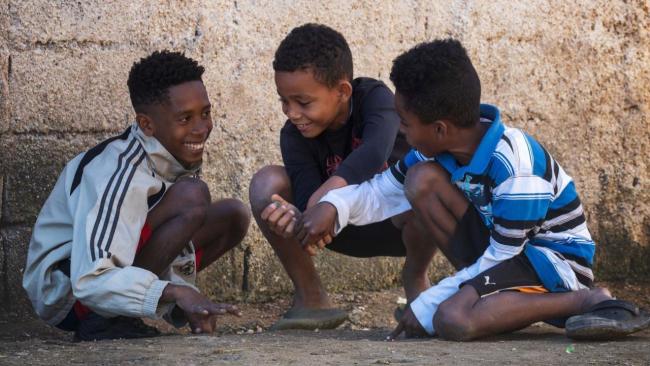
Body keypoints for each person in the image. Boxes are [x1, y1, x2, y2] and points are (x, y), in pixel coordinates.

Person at [298, 39, 650, 341]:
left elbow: (503, 257)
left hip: (551, 263)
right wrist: (334, 206)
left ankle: (585, 300)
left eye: (405, 124)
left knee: (453, 320)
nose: (401, 133)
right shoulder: (435, 150)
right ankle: (478, 297)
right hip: (505, 255)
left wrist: (427, 304)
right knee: (419, 179)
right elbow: (381, 190)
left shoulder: (516, 170)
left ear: (439, 129)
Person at [22, 50, 251, 341]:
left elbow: (164, 238)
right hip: (68, 294)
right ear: (146, 125)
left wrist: (187, 302)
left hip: (100, 275)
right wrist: (177, 293)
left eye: (205, 113)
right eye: (185, 118)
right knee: (192, 196)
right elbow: (90, 279)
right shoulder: (119, 171)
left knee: (233, 216)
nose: (201, 128)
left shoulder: (169, 156)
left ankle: (125, 313)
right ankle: (104, 321)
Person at [249, 23, 432, 330]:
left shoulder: (374, 98)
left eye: (303, 102)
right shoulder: (294, 136)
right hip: (337, 229)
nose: (292, 113)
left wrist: (326, 199)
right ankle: (312, 299)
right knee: (266, 184)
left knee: (427, 180)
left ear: (342, 92)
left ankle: (418, 288)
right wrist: (294, 218)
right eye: (284, 101)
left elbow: (374, 153)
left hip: (403, 220)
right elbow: (308, 196)